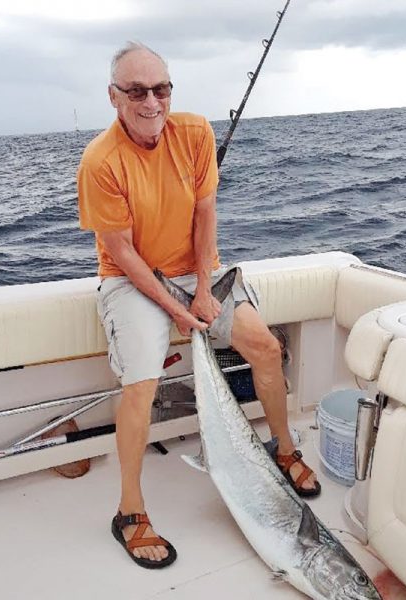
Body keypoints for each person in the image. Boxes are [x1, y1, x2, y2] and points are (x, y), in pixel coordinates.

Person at [77, 41, 320, 569]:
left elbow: (205, 213)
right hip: (131, 277)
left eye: (160, 88)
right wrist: (176, 309)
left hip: (196, 270)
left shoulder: (195, 132)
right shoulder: (100, 161)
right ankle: (129, 511)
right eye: (136, 91)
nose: (151, 101)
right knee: (141, 382)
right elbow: (120, 251)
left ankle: (283, 449)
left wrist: (205, 289)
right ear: (114, 97)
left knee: (264, 348)